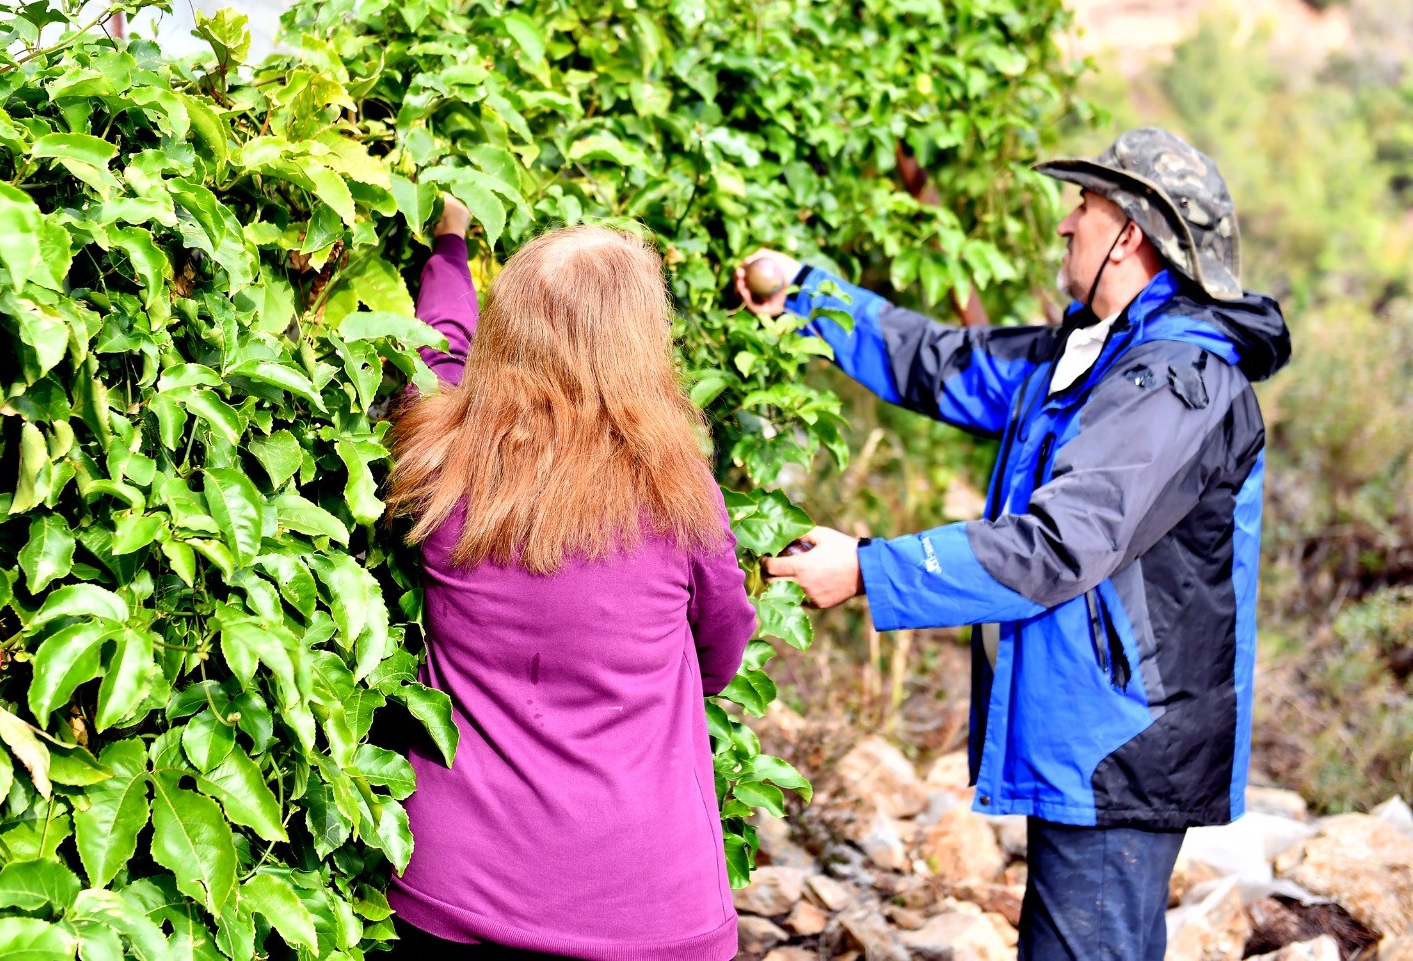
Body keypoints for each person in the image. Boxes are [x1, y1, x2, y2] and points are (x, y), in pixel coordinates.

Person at [738, 129, 1291, 960]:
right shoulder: (1093, 356)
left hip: (1122, 751)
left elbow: (1056, 545)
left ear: (1130, 235)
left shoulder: (1177, 382)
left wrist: (866, 568)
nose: (1068, 226)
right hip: (1095, 741)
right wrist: (807, 295)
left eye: (1085, 208)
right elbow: (941, 363)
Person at [384, 200, 757, 961]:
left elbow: (436, 353)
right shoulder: (677, 493)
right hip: (644, 902)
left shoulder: (441, 462)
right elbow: (721, 656)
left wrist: (450, 248)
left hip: (455, 887)